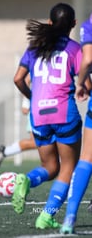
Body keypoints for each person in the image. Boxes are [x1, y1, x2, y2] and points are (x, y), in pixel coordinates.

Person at [11, 3, 83, 229]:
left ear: (50, 23)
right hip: (64, 113)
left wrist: (32, 98)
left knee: (50, 167)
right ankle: (46, 215)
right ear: (73, 24)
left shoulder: (34, 46)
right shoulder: (74, 49)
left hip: (39, 114)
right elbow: (87, 83)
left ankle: (27, 179)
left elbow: (17, 79)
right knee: (67, 168)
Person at [60, 13, 92, 234]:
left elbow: (88, 59)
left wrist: (80, 83)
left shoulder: (90, 23)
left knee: (86, 158)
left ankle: (69, 218)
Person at [0, 93, 36, 168]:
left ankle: (5, 151)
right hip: (38, 110)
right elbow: (26, 81)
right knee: (37, 142)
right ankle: (5, 151)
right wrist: (26, 103)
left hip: (55, 108)